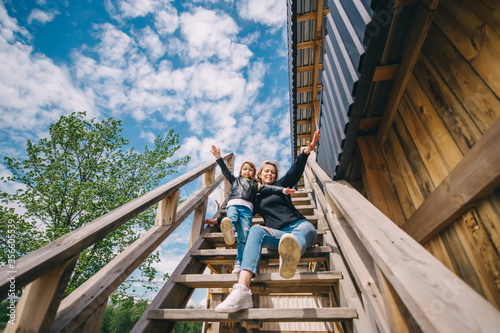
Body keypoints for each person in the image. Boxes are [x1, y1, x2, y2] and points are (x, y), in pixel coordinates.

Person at [215, 129, 320, 313]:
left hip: (301, 226)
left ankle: (290, 253)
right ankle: (242, 291)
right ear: (260, 174)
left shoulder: (281, 186)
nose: (270, 174)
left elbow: (295, 172)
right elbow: (241, 213)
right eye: (266, 171)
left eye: (273, 172)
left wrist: (306, 152)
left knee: (298, 235)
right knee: (255, 230)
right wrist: (217, 222)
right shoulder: (254, 197)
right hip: (278, 236)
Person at [206, 145, 296, 274]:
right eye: (245, 169)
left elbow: (269, 188)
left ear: (254, 173)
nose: (247, 171)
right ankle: (230, 230)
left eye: (250, 170)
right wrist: (218, 157)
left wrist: (282, 190)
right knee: (231, 218)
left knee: (244, 237)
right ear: (241, 171)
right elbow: (225, 170)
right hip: (233, 204)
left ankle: (238, 263)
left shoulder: (255, 185)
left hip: (247, 210)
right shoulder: (235, 180)